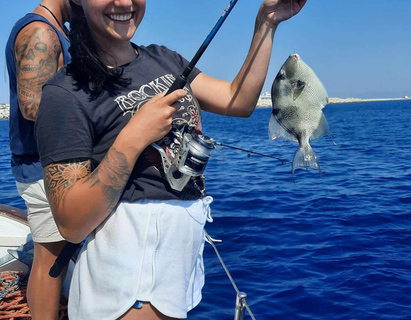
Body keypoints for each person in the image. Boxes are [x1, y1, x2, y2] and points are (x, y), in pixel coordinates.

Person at [35, 0, 307, 319]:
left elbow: (239, 100)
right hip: (128, 283)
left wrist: (267, 22)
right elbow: (71, 223)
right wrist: (133, 136)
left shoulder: (164, 59)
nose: (124, 2)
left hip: (178, 272)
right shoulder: (65, 93)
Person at [5, 1, 71, 319]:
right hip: (45, 168)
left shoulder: (57, 30)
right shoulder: (41, 31)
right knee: (50, 259)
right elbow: (33, 106)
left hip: (55, 165)